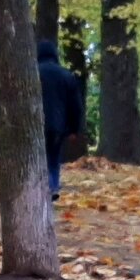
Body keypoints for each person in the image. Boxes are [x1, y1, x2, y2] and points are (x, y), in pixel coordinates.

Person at [37, 40, 84, 202]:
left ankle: (41, 189)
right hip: (58, 125)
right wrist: (74, 129)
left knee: (37, 158)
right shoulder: (66, 75)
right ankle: (53, 186)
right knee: (53, 157)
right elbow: (75, 106)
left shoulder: (32, 73)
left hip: (35, 124)